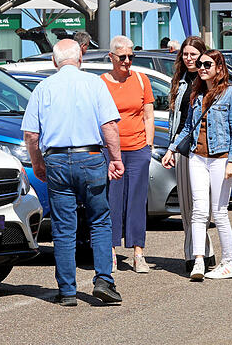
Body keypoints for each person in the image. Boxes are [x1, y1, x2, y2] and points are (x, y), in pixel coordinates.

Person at [21, 39, 124, 307]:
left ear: (55, 62)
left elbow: (31, 135)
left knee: (63, 227)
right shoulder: (94, 84)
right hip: (90, 157)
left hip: (56, 160)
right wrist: (116, 158)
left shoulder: (43, 88)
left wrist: (39, 163)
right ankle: (104, 281)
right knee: (100, 220)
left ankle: (67, 290)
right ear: (80, 59)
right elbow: (110, 126)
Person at [162, 50, 232, 280]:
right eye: (199, 64)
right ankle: (198, 261)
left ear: (219, 67)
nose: (202, 68)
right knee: (199, 211)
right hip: (197, 157)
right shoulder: (196, 96)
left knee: (219, 212)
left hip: (220, 158)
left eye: (207, 64)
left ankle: (229, 262)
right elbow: (188, 128)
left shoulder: (231, 94)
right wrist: (171, 149)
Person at [101, 36, 155, 273]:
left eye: (131, 57)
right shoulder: (100, 83)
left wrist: (149, 146)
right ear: (111, 57)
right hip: (110, 151)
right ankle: (111, 252)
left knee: (137, 201)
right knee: (111, 201)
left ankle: (138, 253)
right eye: (122, 57)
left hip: (137, 149)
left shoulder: (142, 80)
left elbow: (148, 115)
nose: (127, 61)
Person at [167, 35, 217, 273]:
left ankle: (207, 251)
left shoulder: (207, 80)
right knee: (188, 206)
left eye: (193, 55)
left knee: (205, 206)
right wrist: (171, 147)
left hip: (206, 149)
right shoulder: (179, 80)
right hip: (183, 147)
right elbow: (177, 120)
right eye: (185, 54)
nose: (189, 59)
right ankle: (194, 254)